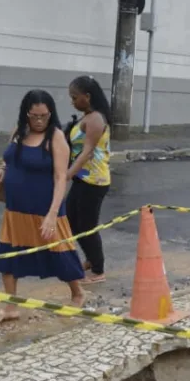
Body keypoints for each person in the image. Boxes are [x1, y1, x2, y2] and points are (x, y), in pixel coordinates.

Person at [0, 90, 84, 323]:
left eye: (44, 115)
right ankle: (11, 307)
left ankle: (78, 293)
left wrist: (51, 214)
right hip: (15, 208)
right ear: (26, 113)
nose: (39, 120)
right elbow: (9, 161)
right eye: (34, 115)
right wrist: (0, 172)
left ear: (51, 114)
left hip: (45, 208)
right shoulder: (19, 132)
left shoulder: (56, 137)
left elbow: (61, 178)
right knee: (8, 255)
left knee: (61, 253)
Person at [66, 76, 112, 284]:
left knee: (87, 226)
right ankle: (92, 260)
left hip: (94, 181)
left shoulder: (95, 119)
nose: (72, 101)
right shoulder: (87, 116)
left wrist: (66, 175)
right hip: (82, 178)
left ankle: (98, 270)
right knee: (72, 221)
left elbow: (86, 152)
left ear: (87, 96)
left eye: (75, 97)